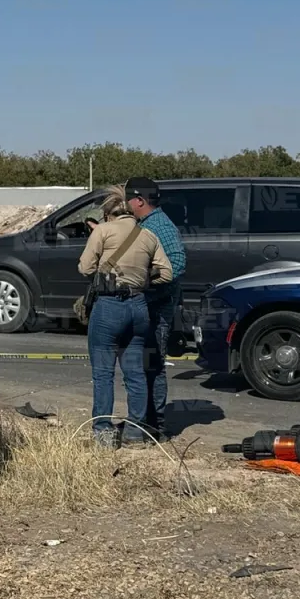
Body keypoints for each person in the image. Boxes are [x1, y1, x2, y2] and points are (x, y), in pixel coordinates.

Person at [77, 185, 174, 447]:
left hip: (109, 306)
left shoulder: (103, 231)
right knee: (135, 373)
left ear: (109, 213)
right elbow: (166, 273)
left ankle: (104, 432)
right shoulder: (148, 235)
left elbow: (85, 268)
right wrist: (142, 278)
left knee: (103, 373)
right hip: (139, 306)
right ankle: (135, 432)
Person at [125, 176, 187, 439]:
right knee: (144, 365)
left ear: (139, 200)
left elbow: (177, 263)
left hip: (157, 310)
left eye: (129, 200)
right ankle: (148, 422)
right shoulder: (147, 224)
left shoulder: (159, 226)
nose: (127, 205)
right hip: (149, 307)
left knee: (151, 367)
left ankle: (154, 425)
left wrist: (145, 279)